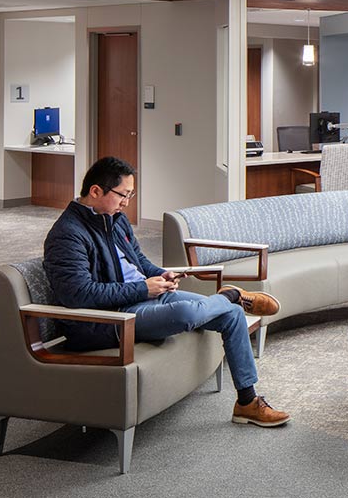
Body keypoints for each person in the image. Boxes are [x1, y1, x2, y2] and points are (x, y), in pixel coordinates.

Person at [43, 156, 291, 427]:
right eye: (123, 195)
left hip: (144, 295)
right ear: (95, 191)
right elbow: (79, 295)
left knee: (231, 316)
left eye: (130, 194)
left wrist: (158, 275)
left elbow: (138, 262)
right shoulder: (67, 234)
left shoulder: (114, 219)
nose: (127, 202)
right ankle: (230, 295)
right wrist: (143, 289)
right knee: (188, 312)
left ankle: (247, 402)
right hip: (111, 317)